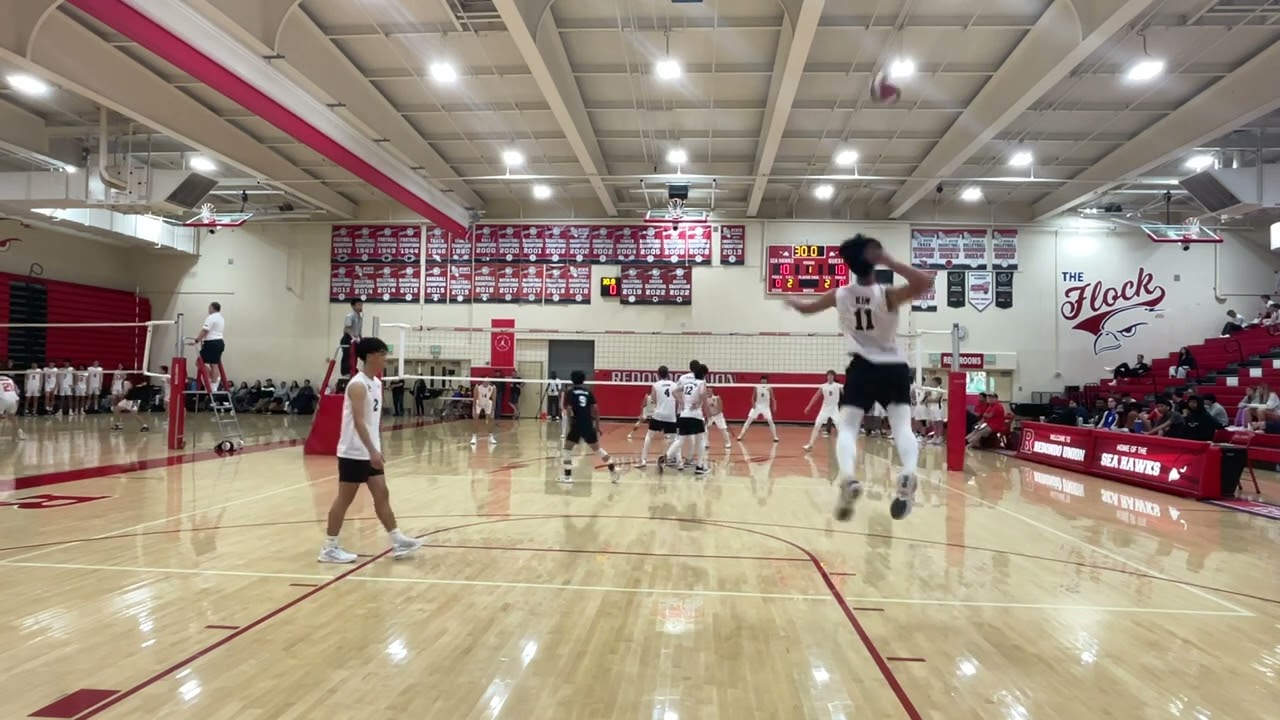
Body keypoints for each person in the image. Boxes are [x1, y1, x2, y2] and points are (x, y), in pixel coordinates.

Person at [782, 234, 933, 521]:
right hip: (894, 366)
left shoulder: (839, 295)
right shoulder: (887, 294)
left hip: (862, 367)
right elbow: (924, 283)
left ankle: (849, 477)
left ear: (849, 264)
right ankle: (908, 474)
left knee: (848, 428)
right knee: (902, 427)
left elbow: (806, 309)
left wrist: (792, 302)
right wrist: (888, 260)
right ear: (873, 260)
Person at [319, 336, 422, 563]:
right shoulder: (357, 385)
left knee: (382, 494)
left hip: (369, 451)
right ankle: (329, 547)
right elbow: (358, 421)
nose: (386, 358)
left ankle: (396, 540)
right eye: (383, 353)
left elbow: (373, 422)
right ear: (372, 356)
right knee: (345, 499)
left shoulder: (376, 383)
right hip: (354, 452)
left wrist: (377, 449)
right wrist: (371, 451)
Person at [560, 370, 618, 483]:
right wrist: (597, 426)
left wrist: (568, 426)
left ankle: (567, 477)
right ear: (583, 380)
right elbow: (596, 410)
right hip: (588, 423)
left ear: (572, 380)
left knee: (567, 450)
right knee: (598, 450)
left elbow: (568, 409)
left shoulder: (570, 392)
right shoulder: (588, 392)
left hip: (576, 424)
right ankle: (612, 470)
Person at [663, 363, 711, 475]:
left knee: (680, 440)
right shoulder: (702, 383)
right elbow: (703, 396)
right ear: (704, 375)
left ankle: (666, 457)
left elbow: (674, 391)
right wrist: (706, 413)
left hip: (684, 414)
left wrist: (681, 401)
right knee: (700, 440)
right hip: (696, 416)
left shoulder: (687, 383)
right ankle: (699, 466)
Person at [639, 366, 678, 468]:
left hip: (658, 414)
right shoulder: (674, 385)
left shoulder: (655, 385)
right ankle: (674, 460)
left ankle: (643, 460)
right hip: (670, 415)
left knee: (649, 436)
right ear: (668, 373)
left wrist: (660, 404)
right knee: (674, 439)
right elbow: (678, 399)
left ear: (658, 374)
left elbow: (654, 399)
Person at [802, 370, 842, 452]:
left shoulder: (838, 386)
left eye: (831, 375)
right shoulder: (823, 386)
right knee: (817, 425)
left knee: (839, 426)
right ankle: (810, 444)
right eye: (828, 375)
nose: (830, 377)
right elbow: (815, 397)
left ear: (834, 377)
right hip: (824, 409)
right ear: (826, 376)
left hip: (834, 409)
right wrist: (809, 407)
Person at [191, 302, 227, 391]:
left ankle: (212, 380)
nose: (208, 310)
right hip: (219, 342)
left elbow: (205, 331)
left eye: (209, 308)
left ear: (212, 308)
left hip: (211, 343)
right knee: (214, 364)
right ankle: (214, 382)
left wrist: (196, 340)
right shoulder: (221, 318)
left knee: (199, 363)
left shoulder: (211, 317)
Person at [738, 375, 779, 442]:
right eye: (762, 380)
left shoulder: (769, 387)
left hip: (766, 407)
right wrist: (753, 404)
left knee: (770, 421)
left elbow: (773, 398)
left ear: (766, 381)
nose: (763, 381)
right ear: (760, 380)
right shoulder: (756, 386)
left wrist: (774, 406)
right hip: (757, 406)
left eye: (764, 380)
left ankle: (775, 437)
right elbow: (752, 397)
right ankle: (740, 435)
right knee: (748, 420)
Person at [339, 299, 363, 379]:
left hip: (355, 339)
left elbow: (359, 331)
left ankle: (353, 369)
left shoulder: (360, 318)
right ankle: (345, 371)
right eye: (358, 305)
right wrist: (353, 337)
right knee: (347, 355)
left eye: (361, 305)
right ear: (353, 306)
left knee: (354, 355)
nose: (360, 307)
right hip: (347, 338)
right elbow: (347, 329)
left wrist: (361, 339)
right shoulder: (350, 316)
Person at [471, 378, 497, 446]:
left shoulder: (493, 387)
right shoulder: (477, 386)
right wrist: (474, 409)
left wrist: (493, 410)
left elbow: (494, 399)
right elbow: (475, 398)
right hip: (478, 402)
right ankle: (474, 436)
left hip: (487, 403)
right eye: (485, 379)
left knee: (491, 419)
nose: (487, 381)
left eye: (488, 380)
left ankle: (491, 436)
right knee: (476, 418)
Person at [0, 374, 25, 440]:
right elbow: (17, 394)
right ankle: (19, 432)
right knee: (12, 417)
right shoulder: (10, 380)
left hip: (2, 399)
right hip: (13, 400)